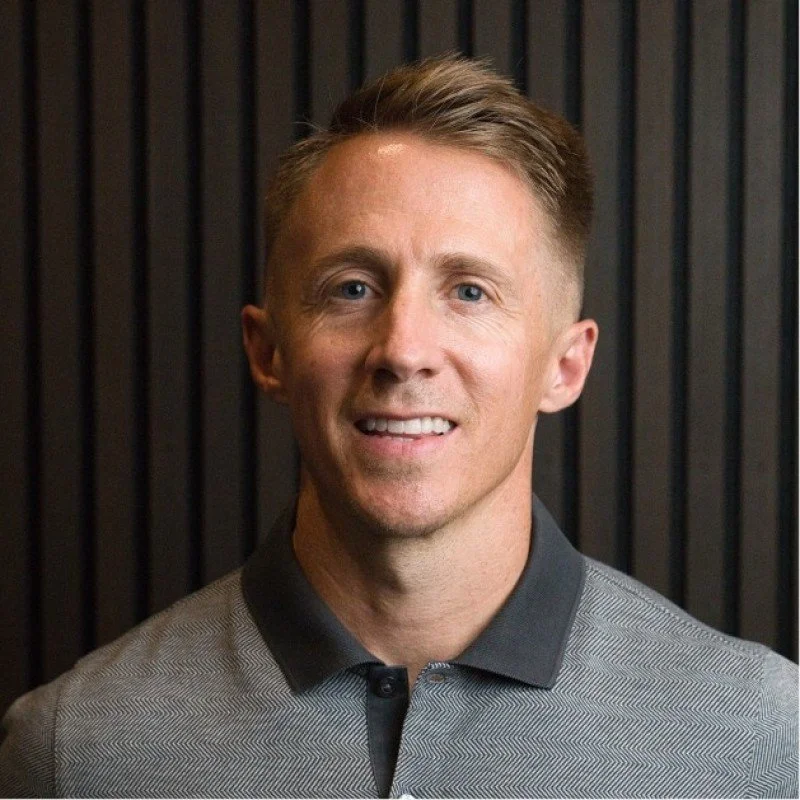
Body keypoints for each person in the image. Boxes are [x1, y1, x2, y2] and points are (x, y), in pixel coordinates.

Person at [1, 55, 796, 799]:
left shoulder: (761, 743)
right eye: (351, 288)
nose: (403, 350)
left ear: (565, 365)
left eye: (471, 292)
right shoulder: (79, 752)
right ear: (269, 351)